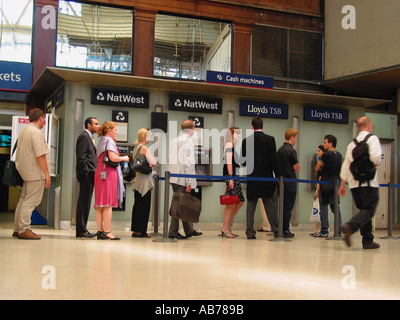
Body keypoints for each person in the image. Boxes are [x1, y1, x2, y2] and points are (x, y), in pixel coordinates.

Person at [339, 116, 382, 249]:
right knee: (369, 210)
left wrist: (342, 183)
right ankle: (349, 227)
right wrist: (376, 162)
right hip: (368, 183)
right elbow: (375, 157)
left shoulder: (351, 144)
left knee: (363, 210)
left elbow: (346, 164)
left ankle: (368, 240)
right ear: (369, 126)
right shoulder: (372, 139)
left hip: (354, 184)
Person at [13, 108, 50, 240]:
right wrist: (46, 173)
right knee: (31, 201)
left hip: (25, 171)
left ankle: (18, 228)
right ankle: (24, 229)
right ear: (40, 118)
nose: (44, 121)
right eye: (44, 119)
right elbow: (40, 155)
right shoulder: (35, 132)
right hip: (35, 173)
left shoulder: (25, 130)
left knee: (24, 199)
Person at [241, 116, 279, 239]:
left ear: (252, 127)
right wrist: (277, 176)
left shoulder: (246, 141)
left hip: (252, 177)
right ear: (262, 126)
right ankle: (277, 231)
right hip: (266, 177)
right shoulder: (270, 140)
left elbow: (243, 161)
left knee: (251, 205)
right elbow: (273, 161)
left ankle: (250, 232)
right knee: (270, 206)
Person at [94, 121, 129, 240]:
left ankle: (100, 231)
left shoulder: (101, 140)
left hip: (100, 172)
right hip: (108, 174)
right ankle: (107, 231)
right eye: (115, 130)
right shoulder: (109, 141)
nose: (116, 132)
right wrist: (124, 158)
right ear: (109, 131)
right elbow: (112, 157)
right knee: (108, 203)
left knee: (99, 204)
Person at [168, 120, 202, 239]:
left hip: (173, 176)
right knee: (178, 205)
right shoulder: (188, 142)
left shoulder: (173, 140)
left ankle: (189, 230)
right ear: (192, 129)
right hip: (182, 178)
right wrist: (189, 181)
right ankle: (173, 231)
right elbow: (189, 163)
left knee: (182, 202)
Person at [313, 134, 343, 237]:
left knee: (324, 208)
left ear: (330, 144)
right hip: (335, 184)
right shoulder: (339, 155)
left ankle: (324, 230)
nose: (323, 144)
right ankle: (339, 230)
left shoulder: (326, 155)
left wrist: (319, 168)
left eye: (325, 142)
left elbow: (317, 167)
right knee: (335, 208)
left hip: (325, 184)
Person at [75, 117, 99, 238]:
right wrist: (85, 171)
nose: (98, 126)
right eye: (96, 124)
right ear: (89, 125)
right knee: (84, 201)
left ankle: (83, 228)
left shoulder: (90, 137)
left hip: (90, 173)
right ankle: (81, 229)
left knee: (86, 201)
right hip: (86, 174)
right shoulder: (84, 137)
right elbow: (81, 156)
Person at [131, 128, 157, 238]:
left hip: (137, 179)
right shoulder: (144, 148)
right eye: (148, 135)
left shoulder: (136, 148)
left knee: (137, 205)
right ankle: (141, 231)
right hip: (144, 181)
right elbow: (153, 162)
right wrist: (152, 164)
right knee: (144, 206)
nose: (150, 138)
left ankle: (136, 230)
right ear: (144, 137)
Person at [276, 128, 301, 238]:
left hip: (281, 182)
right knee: (288, 207)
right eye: (296, 138)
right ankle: (285, 229)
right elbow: (296, 166)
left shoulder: (280, 150)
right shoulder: (291, 151)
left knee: (282, 206)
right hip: (290, 182)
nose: (296, 140)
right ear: (292, 138)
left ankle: (280, 228)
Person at [221, 127, 245, 238]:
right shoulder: (229, 145)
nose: (239, 135)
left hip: (234, 176)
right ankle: (225, 228)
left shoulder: (232, 146)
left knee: (239, 201)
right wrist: (231, 178)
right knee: (230, 203)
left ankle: (228, 226)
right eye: (237, 133)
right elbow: (229, 162)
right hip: (231, 176)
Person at [310, 145, 324, 236]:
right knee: (318, 208)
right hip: (319, 185)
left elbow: (317, 169)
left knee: (322, 208)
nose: (318, 153)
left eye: (319, 151)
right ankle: (317, 229)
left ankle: (321, 229)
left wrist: (318, 188)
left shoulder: (323, 162)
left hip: (322, 186)